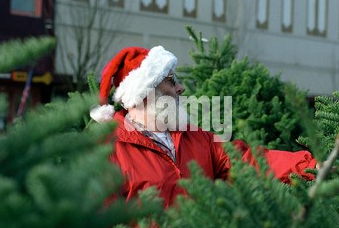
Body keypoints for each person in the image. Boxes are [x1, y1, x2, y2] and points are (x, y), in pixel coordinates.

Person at [90, 46, 317, 209]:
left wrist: (312, 166)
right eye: (171, 80)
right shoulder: (108, 148)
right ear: (145, 92)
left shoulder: (198, 138)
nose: (180, 88)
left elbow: (249, 161)